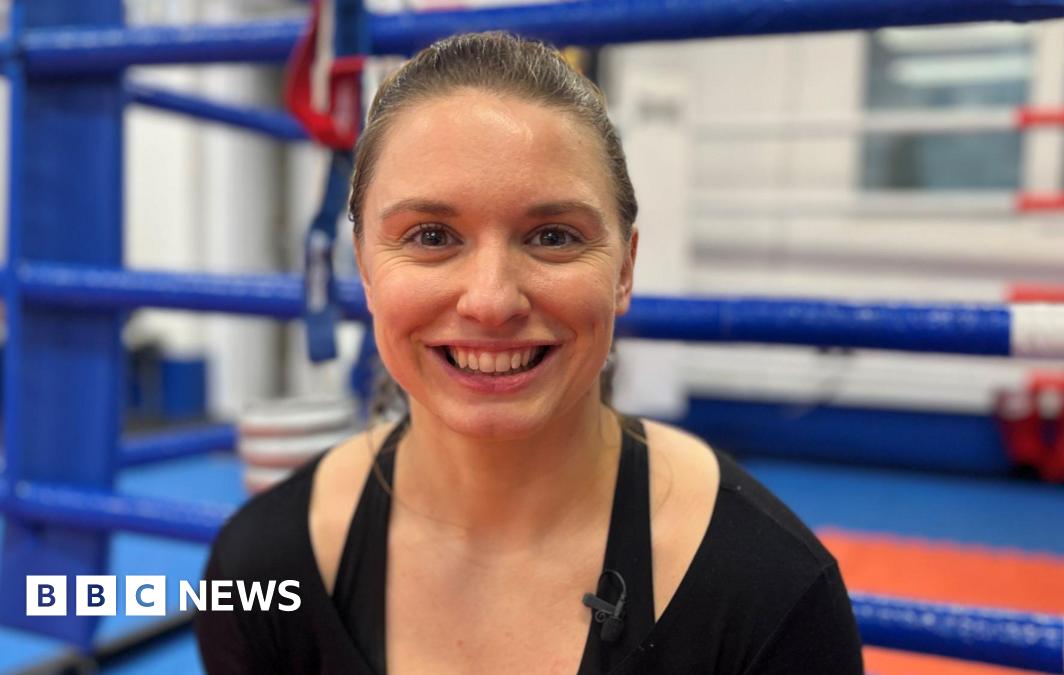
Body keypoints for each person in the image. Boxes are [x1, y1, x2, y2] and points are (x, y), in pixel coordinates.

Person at [194, 31, 862, 674]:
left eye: (552, 235)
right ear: (366, 265)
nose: (491, 300)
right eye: (430, 234)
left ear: (624, 270)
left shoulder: (767, 591)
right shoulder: (264, 563)